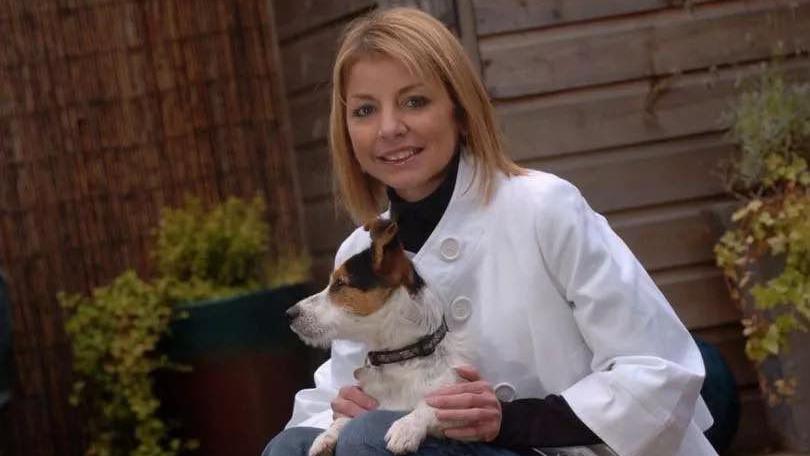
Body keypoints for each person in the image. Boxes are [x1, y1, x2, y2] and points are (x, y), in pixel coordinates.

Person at [264, 7, 717, 456]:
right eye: (364, 110)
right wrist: (345, 405)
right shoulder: (359, 251)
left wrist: (505, 420)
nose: (389, 128)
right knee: (291, 449)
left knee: (371, 442)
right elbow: (328, 398)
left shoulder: (543, 207)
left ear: (460, 112)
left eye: (414, 101)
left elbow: (658, 371)